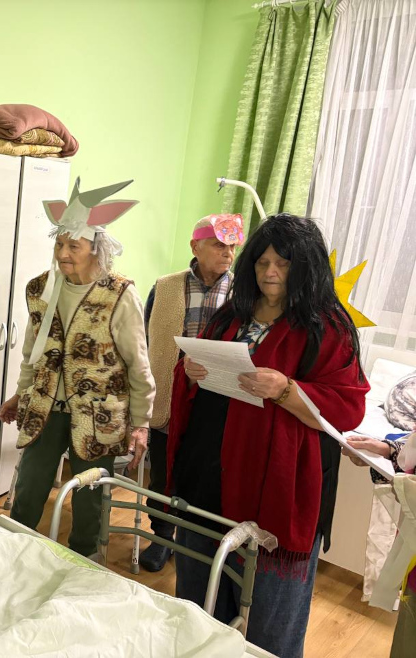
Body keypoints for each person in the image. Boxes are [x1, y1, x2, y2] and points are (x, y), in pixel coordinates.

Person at [167, 214, 370, 658]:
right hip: (208, 474)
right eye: (262, 262)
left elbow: (349, 407)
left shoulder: (327, 327)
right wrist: (192, 371)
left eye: (283, 263)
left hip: (275, 489)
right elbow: (200, 379)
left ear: (306, 266)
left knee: (271, 618)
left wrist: (287, 390)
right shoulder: (232, 314)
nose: (270, 272)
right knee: (199, 602)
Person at [0, 178, 155, 557]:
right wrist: (20, 394)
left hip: (99, 414)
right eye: (59, 244)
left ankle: (84, 565)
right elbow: (33, 352)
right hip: (45, 407)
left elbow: (138, 364)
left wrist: (141, 423)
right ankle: (11, 556)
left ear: (95, 249)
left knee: (90, 501)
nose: (63, 253)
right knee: (30, 488)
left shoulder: (119, 294)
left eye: (74, 246)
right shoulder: (40, 288)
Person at [140, 213, 243, 572]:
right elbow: (146, 339)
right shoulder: (165, 287)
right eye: (218, 244)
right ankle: (162, 538)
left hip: (215, 402)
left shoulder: (243, 293)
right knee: (163, 475)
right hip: (168, 396)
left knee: (205, 477)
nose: (228, 253)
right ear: (195, 247)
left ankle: (196, 544)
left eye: (232, 246)